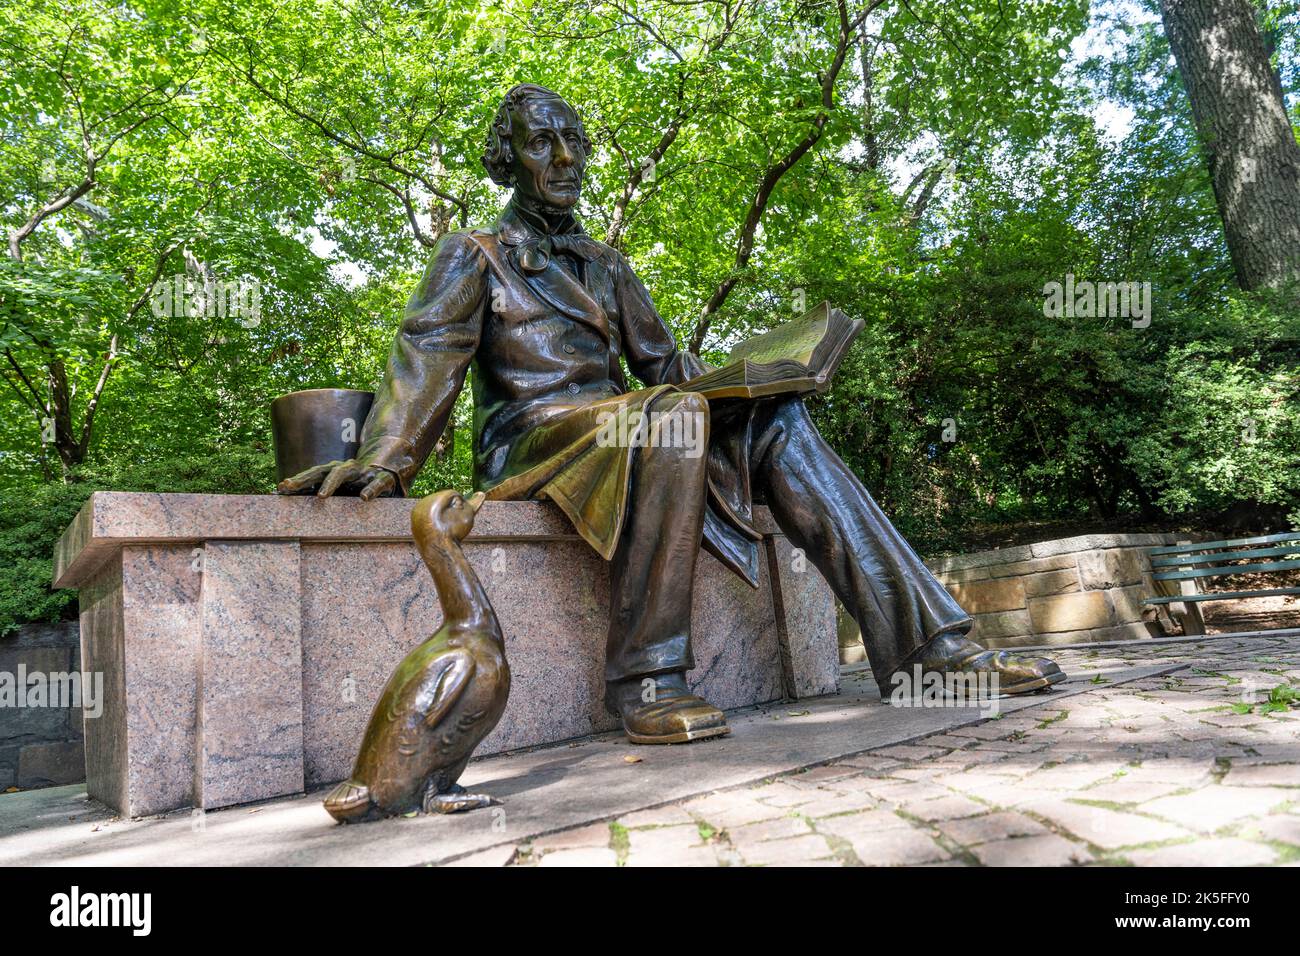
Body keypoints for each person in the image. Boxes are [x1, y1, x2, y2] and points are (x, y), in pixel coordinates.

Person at [279, 84, 1065, 744]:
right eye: (542, 143)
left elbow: (668, 371)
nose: (563, 160)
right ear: (506, 159)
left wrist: (762, 381)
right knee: (670, 418)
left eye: (574, 143)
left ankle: (929, 654)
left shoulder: (607, 264)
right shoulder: (473, 253)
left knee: (773, 423)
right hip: (535, 441)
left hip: (630, 422)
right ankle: (646, 679)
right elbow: (427, 352)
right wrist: (386, 455)